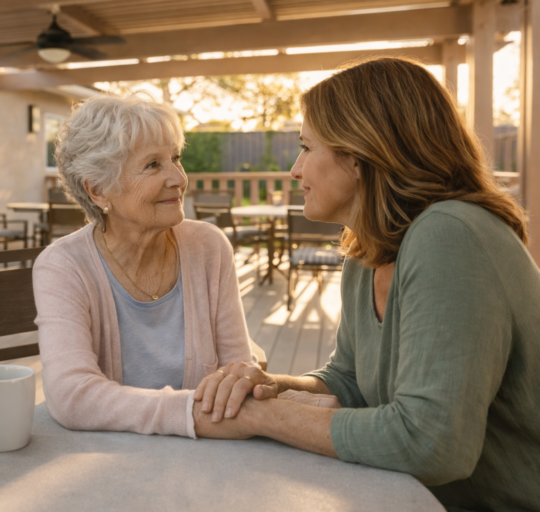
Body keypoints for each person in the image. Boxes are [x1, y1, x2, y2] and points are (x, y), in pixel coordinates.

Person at [192, 57, 540, 511]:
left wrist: (264, 415)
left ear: (357, 156)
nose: (295, 170)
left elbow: (432, 443)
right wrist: (269, 386)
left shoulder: (452, 235)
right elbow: (349, 380)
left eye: (305, 147)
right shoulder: (368, 250)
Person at [33, 95, 257, 439]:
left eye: (176, 158)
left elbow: (238, 373)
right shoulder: (63, 267)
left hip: (210, 457)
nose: (179, 178)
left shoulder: (209, 247)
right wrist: (191, 414)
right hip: (105, 465)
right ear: (98, 191)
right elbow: (72, 395)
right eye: (153, 165)